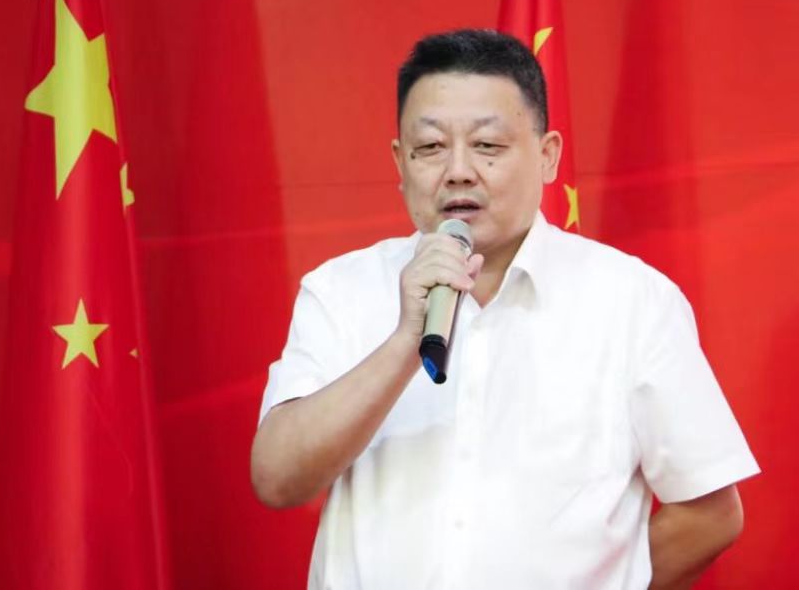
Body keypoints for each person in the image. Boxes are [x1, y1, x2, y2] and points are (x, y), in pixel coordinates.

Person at [251, 29, 759, 589]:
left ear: (547, 156)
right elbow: (278, 479)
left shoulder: (633, 301)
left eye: (488, 146)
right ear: (400, 162)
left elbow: (710, 516)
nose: (458, 171)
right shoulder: (341, 290)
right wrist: (404, 341)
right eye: (430, 148)